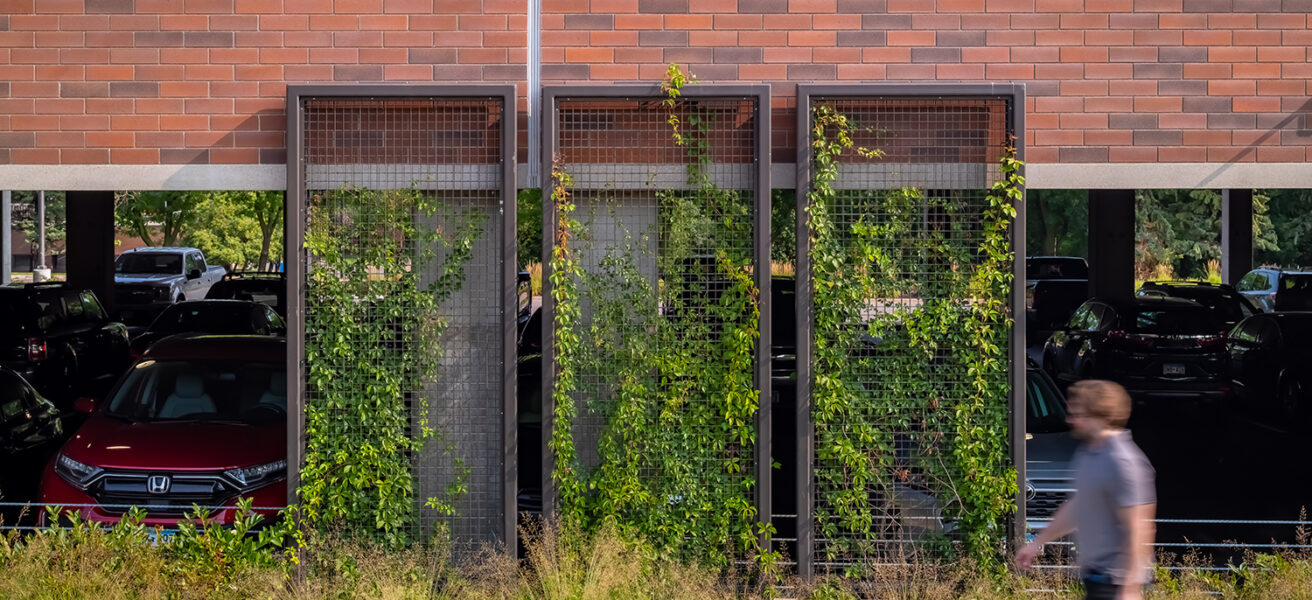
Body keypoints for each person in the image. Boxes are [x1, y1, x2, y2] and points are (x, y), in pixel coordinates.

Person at [1017, 379, 1156, 600]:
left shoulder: (1123, 461)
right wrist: (1036, 544)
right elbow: (1076, 508)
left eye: (1078, 414)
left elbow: (1139, 528)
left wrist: (1130, 588)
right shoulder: (1089, 454)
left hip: (1117, 585)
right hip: (1096, 582)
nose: (1071, 420)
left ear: (1100, 416)